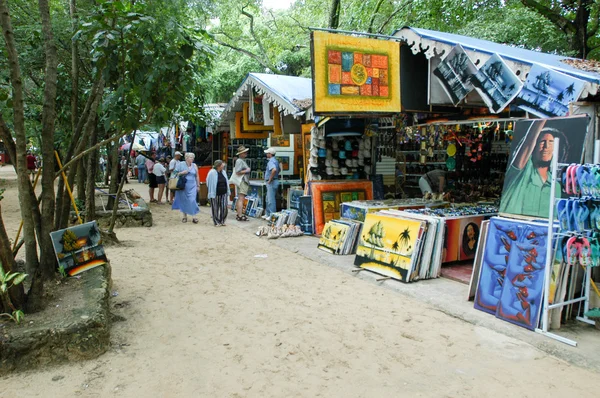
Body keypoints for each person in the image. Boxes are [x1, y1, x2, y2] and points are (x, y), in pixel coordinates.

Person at [499, 119, 563, 217]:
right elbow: (528, 142)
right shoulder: (521, 173)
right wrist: (543, 116)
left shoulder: (556, 186)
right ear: (534, 147)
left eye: (551, 142)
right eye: (542, 142)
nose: (546, 146)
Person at [172, 152, 200, 223]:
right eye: (191, 157)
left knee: (192, 200)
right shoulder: (180, 164)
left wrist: (198, 185)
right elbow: (174, 173)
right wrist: (182, 173)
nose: (192, 159)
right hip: (183, 186)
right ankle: (184, 216)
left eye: (193, 157)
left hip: (192, 185)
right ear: (186, 158)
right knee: (184, 201)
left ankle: (194, 216)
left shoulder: (194, 165)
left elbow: (197, 176)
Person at [207, 160, 230, 227]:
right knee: (215, 208)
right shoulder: (212, 172)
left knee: (224, 207)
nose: (223, 165)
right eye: (222, 164)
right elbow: (208, 182)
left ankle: (222, 220)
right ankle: (216, 221)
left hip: (224, 192)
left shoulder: (223, 172)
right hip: (215, 193)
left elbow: (226, 181)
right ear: (219, 166)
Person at [234, 145, 251, 222]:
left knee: (240, 198)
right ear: (241, 154)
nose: (246, 153)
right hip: (243, 181)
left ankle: (239, 214)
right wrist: (247, 170)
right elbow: (237, 172)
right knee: (241, 198)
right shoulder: (239, 161)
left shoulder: (240, 161)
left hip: (242, 181)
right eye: (244, 152)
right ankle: (240, 215)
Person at [263, 147, 280, 219]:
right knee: (268, 198)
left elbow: (274, 170)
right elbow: (279, 170)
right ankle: (268, 214)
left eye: (267, 153)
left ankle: (272, 216)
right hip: (275, 180)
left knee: (271, 199)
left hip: (271, 182)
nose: (266, 154)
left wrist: (270, 179)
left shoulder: (271, 162)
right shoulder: (276, 161)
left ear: (270, 154)